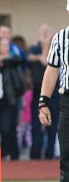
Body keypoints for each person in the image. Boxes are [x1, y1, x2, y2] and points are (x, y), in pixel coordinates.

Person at [38, 0, 69, 182]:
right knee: (67, 155)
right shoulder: (62, 37)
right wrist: (43, 101)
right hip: (67, 98)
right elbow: (52, 69)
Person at [28, 22, 60, 159]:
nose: (45, 34)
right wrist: (43, 50)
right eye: (42, 31)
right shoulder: (34, 48)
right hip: (37, 91)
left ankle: (49, 153)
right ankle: (35, 153)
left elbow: (48, 62)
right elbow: (31, 58)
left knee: (53, 124)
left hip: (54, 91)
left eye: (47, 31)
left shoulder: (58, 48)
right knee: (36, 124)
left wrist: (47, 45)